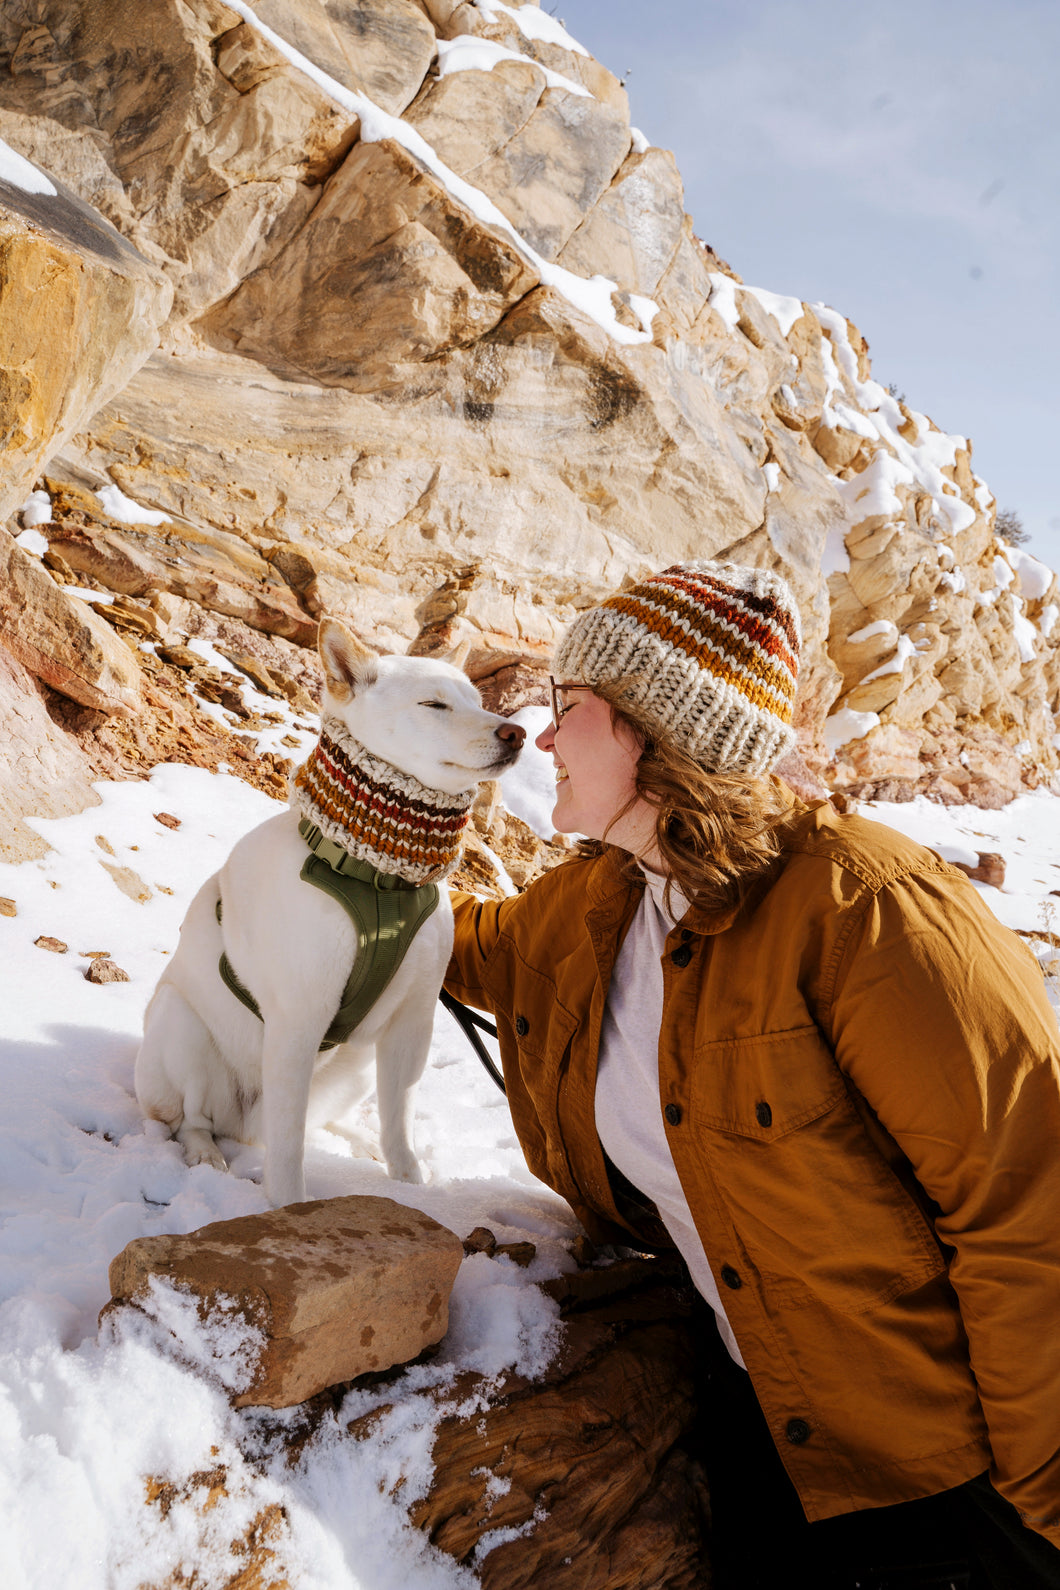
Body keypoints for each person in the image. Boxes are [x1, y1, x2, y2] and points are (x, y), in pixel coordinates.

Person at [445, 560, 1060, 1589]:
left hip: (942, 1481)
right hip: (763, 1430)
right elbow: (445, 946)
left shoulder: (868, 911)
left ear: (655, 730)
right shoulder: (600, 904)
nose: (544, 737)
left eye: (569, 707)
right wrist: (345, 833)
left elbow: (1030, 1207)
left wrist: (1040, 1505)